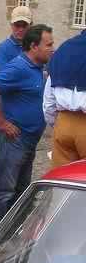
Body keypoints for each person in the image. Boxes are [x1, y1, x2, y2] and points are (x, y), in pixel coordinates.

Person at [0, 24, 54, 231]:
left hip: (30, 140)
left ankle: (11, 233)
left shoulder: (39, 68)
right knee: (4, 190)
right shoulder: (19, 67)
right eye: (48, 44)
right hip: (15, 140)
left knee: (21, 190)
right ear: (33, 46)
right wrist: (2, 122)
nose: (52, 48)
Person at [0, 6, 33, 216]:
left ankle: (14, 206)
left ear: (30, 25)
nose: (20, 29)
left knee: (21, 162)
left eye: (24, 25)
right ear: (11, 25)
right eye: (17, 25)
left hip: (23, 115)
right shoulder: (4, 48)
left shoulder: (33, 47)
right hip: (5, 112)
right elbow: (5, 81)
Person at [43, 30, 86, 167]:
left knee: (62, 181)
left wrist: (56, 125)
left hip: (63, 123)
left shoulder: (64, 48)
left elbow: (48, 99)